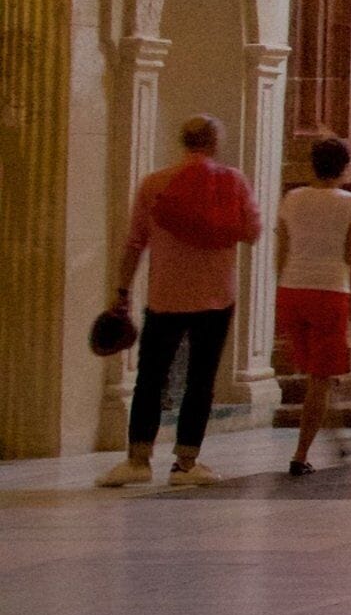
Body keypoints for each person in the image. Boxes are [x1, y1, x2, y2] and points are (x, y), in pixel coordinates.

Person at [102, 115, 263, 488]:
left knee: (150, 378)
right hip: (216, 295)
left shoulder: (154, 184)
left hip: (165, 296)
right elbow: (253, 231)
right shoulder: (233, 181)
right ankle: (186, 463)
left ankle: (138, 460)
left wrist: (122, 293)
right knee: (200, 379)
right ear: (215, 143)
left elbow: (134, 244)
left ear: (182, 140)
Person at [274, 139, 351, 476]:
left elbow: (281, 249)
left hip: (292, 289)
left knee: (321, 377)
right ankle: (300, 454)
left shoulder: (292, 198)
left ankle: (338, 440)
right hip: (329, 292)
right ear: (343, 168)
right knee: (320, 378)